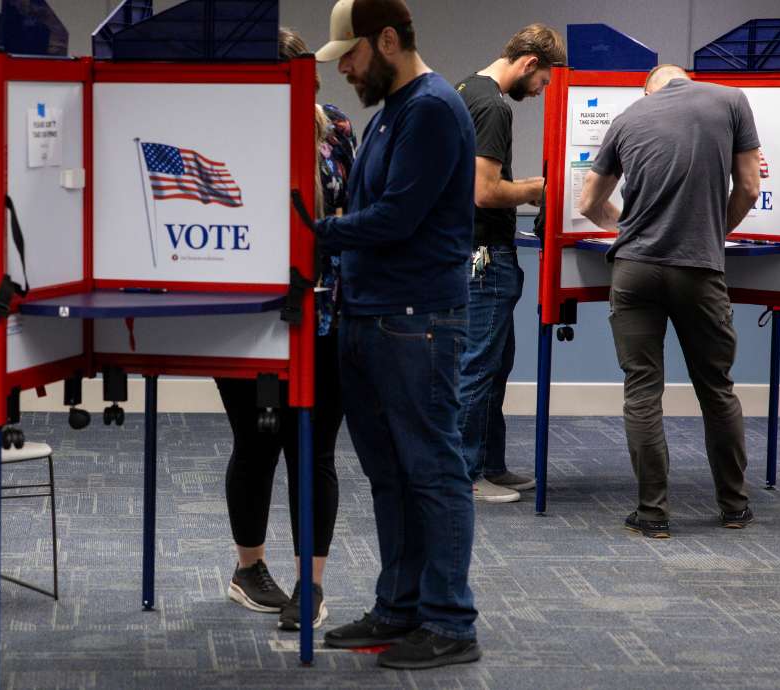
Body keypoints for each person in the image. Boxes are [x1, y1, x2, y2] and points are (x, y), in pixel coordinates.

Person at [310, 0, 481, 670]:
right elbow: (367, 211)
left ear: (387, 40)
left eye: (350, 55)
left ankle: (449, 620)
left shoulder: (433, 109)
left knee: (434, 472)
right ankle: (400, 606)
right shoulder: (389, 117)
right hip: (373, 316)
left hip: (417, 325)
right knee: (390, 475)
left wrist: (314, 233)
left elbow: (394, 219)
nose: (346, 69)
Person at [578, 64, 761, 540]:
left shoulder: (628, 117)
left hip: (635, 268)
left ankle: (653, 514)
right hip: (699, 269)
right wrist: (712, 231)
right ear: (686, 80)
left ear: (648, 88)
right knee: (716, 389)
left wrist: (627, 224)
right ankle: (735, 507)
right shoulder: (731, 101)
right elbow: (749, 187)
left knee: (642, 391)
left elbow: (587, 204)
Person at [218, 27, 356, 632]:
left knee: (314, 449)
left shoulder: (336, 129)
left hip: (324, 316)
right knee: (256, 444)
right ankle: (249, 570)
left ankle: (312, 584)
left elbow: (356, 206)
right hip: (243, 320)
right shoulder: (227, 135)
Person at [455, 24, 565, 504]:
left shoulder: (466, 90)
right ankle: (463, 477)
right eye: (542, 83)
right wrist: (538, 188)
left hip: (471, 252)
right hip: (485, 257)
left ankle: (490, 465)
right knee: (479, 368)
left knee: (495, 366)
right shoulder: (495, 106)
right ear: (529, 64)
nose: (540, 94)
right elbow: (485, 190)